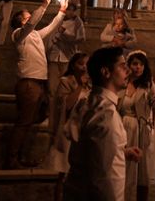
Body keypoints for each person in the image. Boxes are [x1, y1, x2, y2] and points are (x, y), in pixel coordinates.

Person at [64, 47, 142, 201]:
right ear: (106, 72)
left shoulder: (87, 102)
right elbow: (100, 176)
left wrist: (122, 152)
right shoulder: (106, 115)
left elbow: (91, 152)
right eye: (122, 66)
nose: (128, 70)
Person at [4, 0, 67, 169]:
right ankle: (12, 159)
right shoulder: (18, 34)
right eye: (27, 16)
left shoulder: (35, 35)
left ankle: (20, 155)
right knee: (24, 122)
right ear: (22, 22)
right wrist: (44, 5)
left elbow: (51, 27)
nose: (31, 17)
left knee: (35, 118)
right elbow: (31, 24)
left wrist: (62, 11)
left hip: (40, 83)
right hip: (29, 83)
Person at [118, 50, 155, 201]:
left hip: (140, 130)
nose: (138, 67)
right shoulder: (122, 83)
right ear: (129, 66)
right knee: (123, 167)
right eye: (135, 64)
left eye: (141, 64)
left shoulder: (148, 85)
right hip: (123, 127)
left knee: (141, 171)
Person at [45, 52, 90, 201]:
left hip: (83, 133)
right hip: (67, 132)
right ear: (73, 66)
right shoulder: (66, 82)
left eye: (86, 64)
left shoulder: (91, 84)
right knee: (64, 173)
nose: (84, 67)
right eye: (80, 64)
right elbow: (67, 105)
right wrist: (80, 87)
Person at [46, 2, 85, 120]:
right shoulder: (58, 20)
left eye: (72, 10)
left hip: (67, 57)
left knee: (66, 88)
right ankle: (51, 114)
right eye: (68, 10)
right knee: (52, 88)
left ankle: (63, 114)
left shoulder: (78, 23)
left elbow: (80, 38)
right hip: (54, 56)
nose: (70, 12)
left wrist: (64, 34)